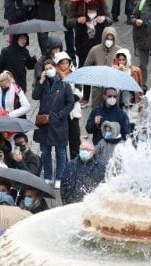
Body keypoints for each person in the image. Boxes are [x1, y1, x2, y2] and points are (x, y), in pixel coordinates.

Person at [33, 59, 74, 188]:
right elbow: (35, 96)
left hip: (59, 123)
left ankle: (60, 177)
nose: (49, 70)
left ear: (55, 68)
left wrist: (60, 115)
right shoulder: (42, 83)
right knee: (45, 152)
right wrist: (40, 81)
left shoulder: (64, 84)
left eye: (51, 68)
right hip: (44, 123)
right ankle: (47, 176)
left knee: (60, 152)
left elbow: (70, 103)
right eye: (46, 69)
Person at [83, 27, 120, 106]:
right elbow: (86, 67)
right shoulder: (95, 50)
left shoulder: (119, 51)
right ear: (103, 38)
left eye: (111, 39)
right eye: (107, 38)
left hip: (112, 86)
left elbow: (125, 66)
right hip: (98, 85)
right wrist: (95, 73)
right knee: (96, 107)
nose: (109, 41)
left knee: (111, 107)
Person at [62, 138, 107, 204]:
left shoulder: (101, 166)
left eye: (87, 150)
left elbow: (106, 187)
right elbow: (64, 184)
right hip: (73, 203)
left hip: (93, 204)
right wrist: (65, 202)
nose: (84, 151)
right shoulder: (71, 165)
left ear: (93, 151)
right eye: (82, 149)